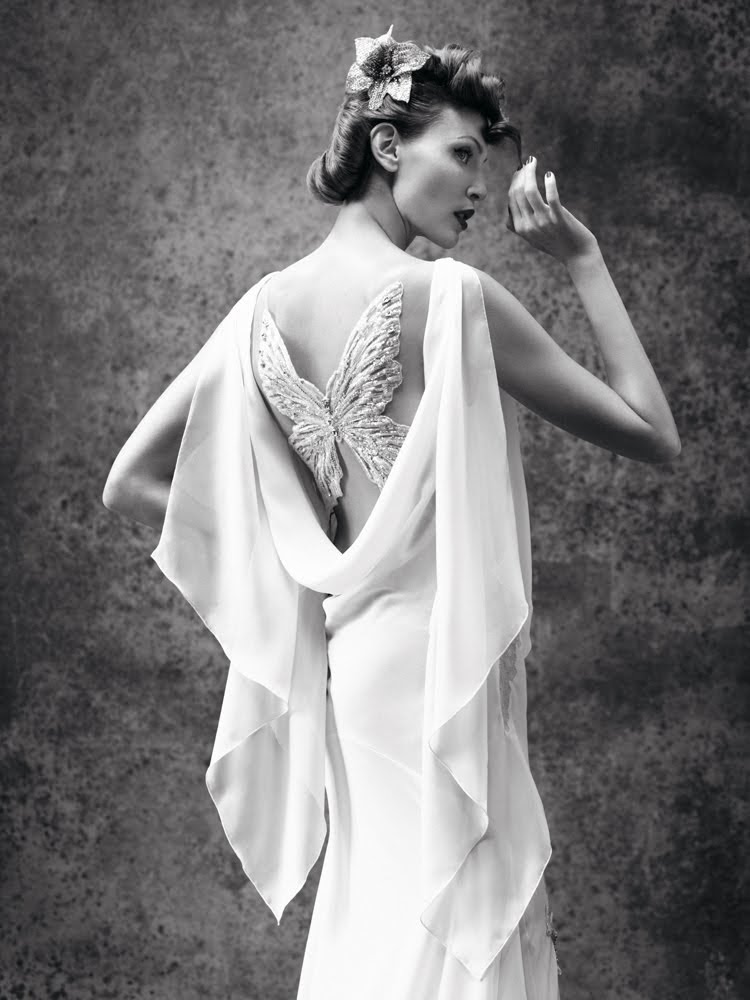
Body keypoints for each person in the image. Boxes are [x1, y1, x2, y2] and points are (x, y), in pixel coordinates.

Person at [102, 25, 680, 1000]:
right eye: (462, 153)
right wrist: (583, 258)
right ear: (386, 146)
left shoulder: (259, 311)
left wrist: (305, 563)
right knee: (457, 915)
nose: (478, 187)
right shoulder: (452, 299)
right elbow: (652, 432)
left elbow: (130, 481)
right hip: (440, 657)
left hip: (350, 663)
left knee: (380, 912)